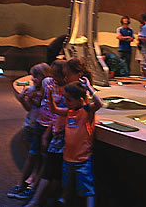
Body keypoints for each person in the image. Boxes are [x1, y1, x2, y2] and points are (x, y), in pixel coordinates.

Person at [8, 60, 66, 201]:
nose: (53, 77)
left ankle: (33, 187)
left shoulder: (65, 89)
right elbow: (39, 104)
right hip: (39, 124)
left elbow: (58, 111)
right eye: (52, 73)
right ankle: (21, 183)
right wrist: (29, 98)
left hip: (50, 128)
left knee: (44, 159)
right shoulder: (47, 82)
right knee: (33, 155)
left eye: (56, 74)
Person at [47, 77, 103, 207]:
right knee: (66, 185)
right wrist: (49, 94)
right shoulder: (69, 112)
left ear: (80, 100)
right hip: (68, 158)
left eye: (68, 99)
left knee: (87, 188)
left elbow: (99, 104)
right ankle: (64, 200)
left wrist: (89, 87)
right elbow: (54, 110)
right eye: (65, 98)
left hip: (83, 160)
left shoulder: (86, 111)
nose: (65, 102)